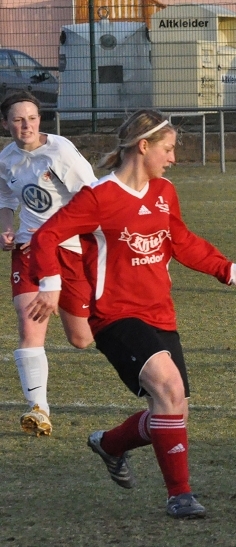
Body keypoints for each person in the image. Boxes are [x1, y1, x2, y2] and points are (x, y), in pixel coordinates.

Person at [25, 110, 236, 518]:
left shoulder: (164, 191)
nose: (173, 158)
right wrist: (50, 284)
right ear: (144, 147)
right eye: (168, 149)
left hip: (160, 312)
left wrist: (227, 270)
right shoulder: (99, 196)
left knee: (173, 409)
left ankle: (110, 444)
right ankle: (180, 496)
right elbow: (46, 236)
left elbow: (180, 239)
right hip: (115, 315)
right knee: (168, 389)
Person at [0, 91, 95, 437]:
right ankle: (38, 408)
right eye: (18, 119)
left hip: (70, 251)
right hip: (28, 250)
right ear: (5, 123)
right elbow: (5, 197)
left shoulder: (60, 152)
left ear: (40, 120)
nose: (26, 125)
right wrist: (6, 228)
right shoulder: (6, 158)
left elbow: (92, 198)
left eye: (32, 118)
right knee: (29, 326)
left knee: (81, 338)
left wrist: (55, 235)